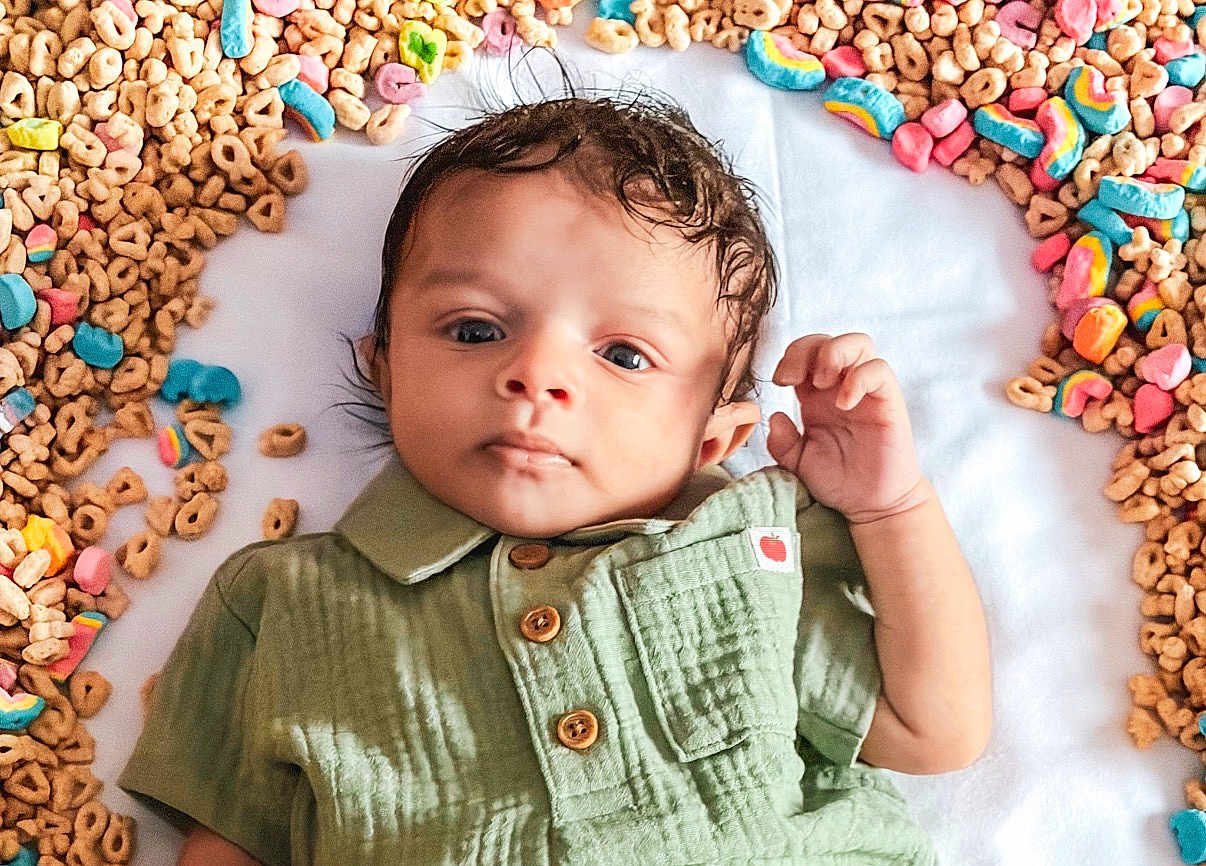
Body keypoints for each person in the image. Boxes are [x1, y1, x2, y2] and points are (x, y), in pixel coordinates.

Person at [118, 85, 991, 866]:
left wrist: (891, 507)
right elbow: (227, 836)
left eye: (623, 353)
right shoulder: (283, 601)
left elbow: (934, 731)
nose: (536, 372)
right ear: (385, 369)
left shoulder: (750, 552)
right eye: (473, 329)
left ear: (715, 439)